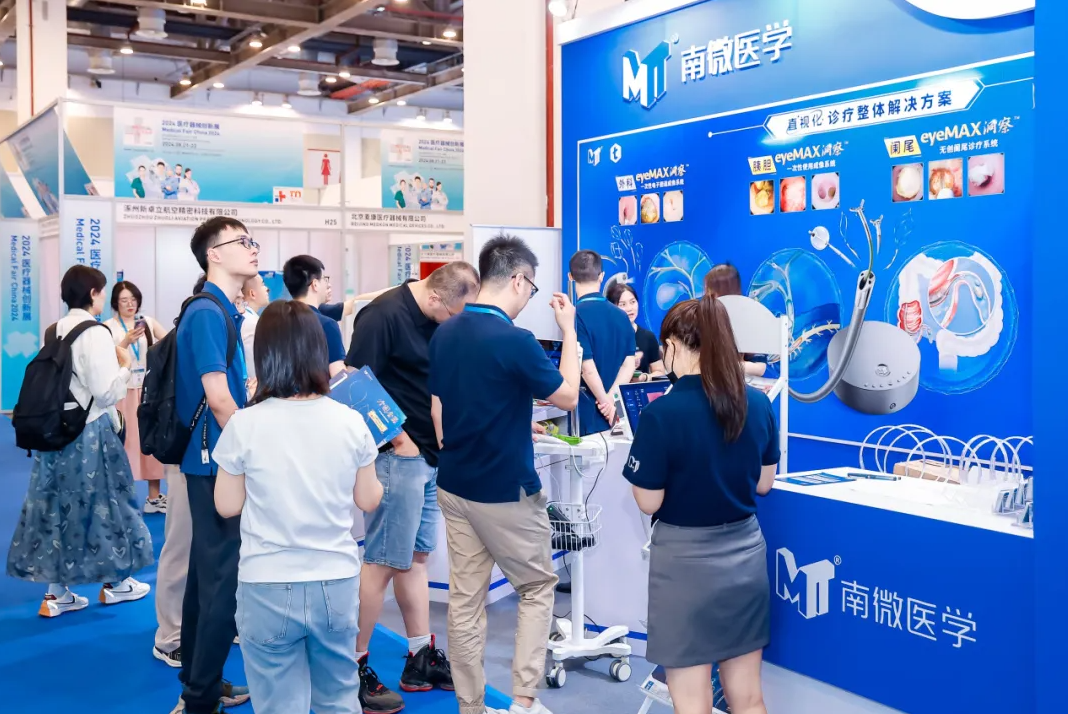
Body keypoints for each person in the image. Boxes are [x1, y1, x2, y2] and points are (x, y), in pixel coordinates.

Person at [429, 234, 581, 714]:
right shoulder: (516, 340)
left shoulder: (446, 332)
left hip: (455, 482)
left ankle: (471, 707)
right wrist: (569, 331)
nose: (529, 297)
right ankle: (522, 702)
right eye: (531, 288)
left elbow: (441, 409)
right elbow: (568, 396)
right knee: (536, 587)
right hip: (505, 490)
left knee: (465, 601)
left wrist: (507, 424)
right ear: (518, 279)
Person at [213, 300, 384, 714]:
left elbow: (226, 505)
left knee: (278, 703)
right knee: (338, 698)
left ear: (264, 355)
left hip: (266, 582)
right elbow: (368, 499)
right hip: (336, 579)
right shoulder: (350, 420)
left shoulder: (244, 424)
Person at [623, 294, 780, 714]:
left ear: (674, 345)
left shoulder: (661, 414)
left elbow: (648, 500)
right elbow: (764, 484)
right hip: (745, 557)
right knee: (748, 698)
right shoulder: (758, 403)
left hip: (684, 566)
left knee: (693, 702)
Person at [345, 262, 480, 712]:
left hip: (429, 455)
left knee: (415, 559)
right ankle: (352, 665)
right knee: (382, 562)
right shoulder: (383, 315)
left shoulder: (438, 319)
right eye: (455, 314)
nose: (456, 323)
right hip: (395, 457)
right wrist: (398, 439)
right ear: (437, 298)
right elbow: (353, 384)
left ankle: (420, 656)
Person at [7, 265, 154, 617]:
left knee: (54, 507)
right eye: (102, 291)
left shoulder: (55, 329)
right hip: (89, 434)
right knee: (108, 503)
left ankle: (56, 593)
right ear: (92, 294)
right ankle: (117, 583)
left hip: (55, 432)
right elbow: (105, 393)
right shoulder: (95, 333)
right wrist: (124, 365)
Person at [170, 216, 259, 714]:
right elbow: (220, 400)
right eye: (242, 241)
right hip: (215, 462)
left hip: (212, 459)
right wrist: (256, 454)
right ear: (214, 254)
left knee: (207, 576)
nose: (252, 248)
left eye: (252, 240)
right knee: (223, 579)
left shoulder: (220, 309)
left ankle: (199, 681)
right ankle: (200, 696)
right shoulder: (208, 312)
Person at [104, 280, 170, 511]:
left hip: (148, 390)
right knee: (125, 444)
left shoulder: (147, 322)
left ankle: (154, 497)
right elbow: (104, 358)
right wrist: (125, 342)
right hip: (122, 392)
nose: (130, 304)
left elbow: (169, 341)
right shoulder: (108, 327)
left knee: (150, 439)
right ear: (115, 303)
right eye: (124, 300)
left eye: (133, 299)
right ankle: (122, 499)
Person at [570, 250, 636, 434]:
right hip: (615, 412)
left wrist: (604, 402)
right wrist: (611, 400)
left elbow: (587, 369)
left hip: (589, 413)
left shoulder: (574, 315)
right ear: (601, 276)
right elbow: (629, 364)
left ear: (570, 277)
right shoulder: (622, 316)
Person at [282, 255, 346, 377]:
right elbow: (339, 376)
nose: (328, 285)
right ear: (315, 284)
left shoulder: (276, 321)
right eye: (325, 279)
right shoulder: (326, 325)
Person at [704, 264, 767, 377]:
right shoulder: (703, 318)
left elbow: (760, 368)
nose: (706, 296)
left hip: (738, 383)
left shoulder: (750, 321)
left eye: (710, 292)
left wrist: (725, 366)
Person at [606, 283, 666, 380]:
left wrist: (645, 377)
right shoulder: (605, 337)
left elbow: (659, 371)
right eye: (622, 304)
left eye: (632, 302)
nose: (630, 308)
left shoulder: (648, 337)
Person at [238, 274, 271, 383]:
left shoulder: (248, 318)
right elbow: (252, 366)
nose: (267, 289)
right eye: (262, 284)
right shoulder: (251, 323)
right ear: (252, 293)